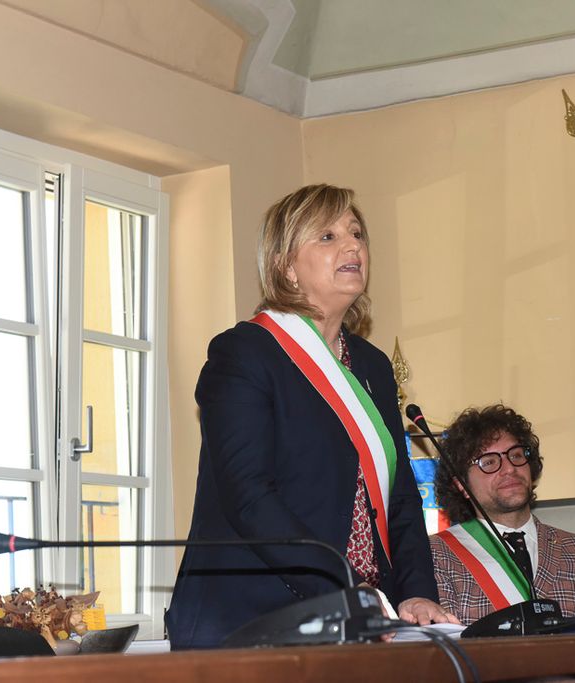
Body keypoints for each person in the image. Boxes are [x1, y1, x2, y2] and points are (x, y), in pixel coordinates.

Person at [166, 184, 456, 649]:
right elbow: (249, 497)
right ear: (286, 266)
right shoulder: (246, 353)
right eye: (327, 236)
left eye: (356, 234)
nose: (352, 246)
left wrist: (416, 591)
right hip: (251, 620)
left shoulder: (373, 366)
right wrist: (344, 589)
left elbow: (400, 495)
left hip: (363, 618)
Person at [431, 404, 575, 625]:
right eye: (489, 462)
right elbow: (441, 641)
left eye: (516, 455)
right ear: (461, 484)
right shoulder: (436, 555)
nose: (509, 468)